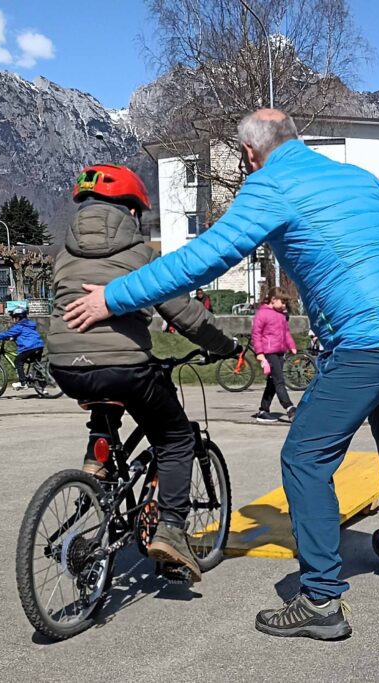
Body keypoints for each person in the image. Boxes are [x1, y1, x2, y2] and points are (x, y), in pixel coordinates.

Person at [62, 109, 379, 640]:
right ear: (294, 138)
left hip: (367, 344)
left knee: (305, 458)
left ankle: (320, 599)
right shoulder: (359, 179)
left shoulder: (271, 184)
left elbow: (203, 259)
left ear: (248, 152)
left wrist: (113, 297)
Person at [47, 163, 239, 583]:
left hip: (64, 365)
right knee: (175, 439)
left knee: (105, 395)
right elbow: (185, 315)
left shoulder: (62, 255)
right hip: (123, 367)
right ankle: (171, 530)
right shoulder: (142, 256)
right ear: (132, 211)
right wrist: (227, 346)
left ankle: (95, 467)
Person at [251, 287, 297, 423]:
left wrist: (291, 345)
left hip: (280, 351)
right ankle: (289, 407)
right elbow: (256, 334)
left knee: (272, 382)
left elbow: (286, 332)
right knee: (279, 380)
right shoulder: (262, 314)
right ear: (273, 299)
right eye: (282, 302)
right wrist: (259, 353)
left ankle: (263, 411)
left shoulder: (281, 316)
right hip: (269, 352)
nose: (284, 305)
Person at [0, 307, 46, 392]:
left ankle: (23, 383)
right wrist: (13, 338)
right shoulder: (30, 325)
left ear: (18, 317)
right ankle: (42, 388)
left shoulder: (18, 326)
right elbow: (25, 335)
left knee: (18, 361)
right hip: (39, 346)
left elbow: (6, 334)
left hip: (29, 347)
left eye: (14, 317)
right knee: (35, 366)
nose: (13, 320)